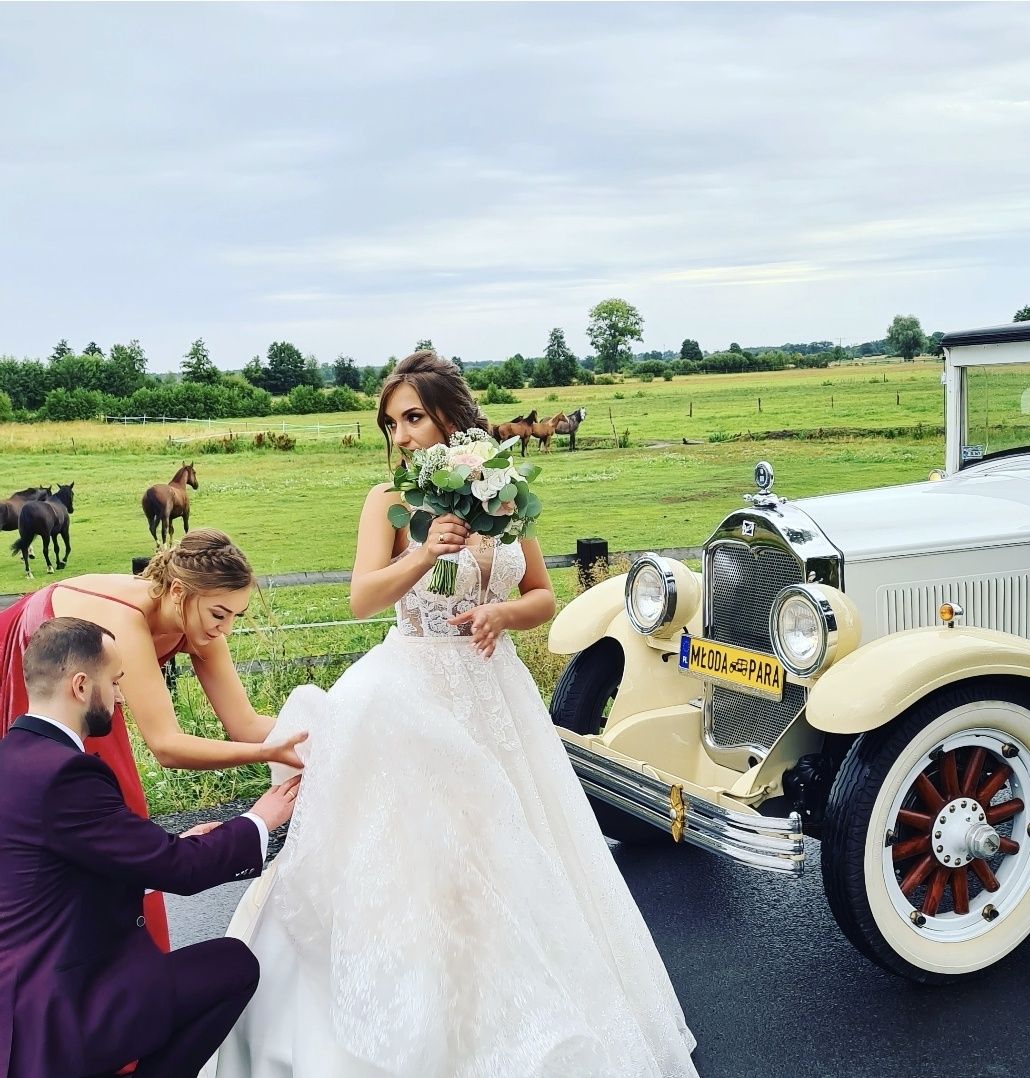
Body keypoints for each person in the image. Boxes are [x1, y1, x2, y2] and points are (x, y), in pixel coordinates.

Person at [208, 351, 698, 1077]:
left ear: (450, 418)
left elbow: (541, 595)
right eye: (391, 423)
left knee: (516, 856)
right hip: (410, 695)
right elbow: (362, 599)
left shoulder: (503, 493)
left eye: (411, 417)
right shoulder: (388, 501)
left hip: (493, 696)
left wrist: (502, 612)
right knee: (424, 864)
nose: (400, 435)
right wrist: (422, 553)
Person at [0, 616, 302, 1078]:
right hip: (58, 1013)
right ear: (81, 686)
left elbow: (49, 871)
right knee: (232, 964)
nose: (121, 696)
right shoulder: (67, 774)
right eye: (115, 681)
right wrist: (258, 820)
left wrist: (172, 846)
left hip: (17, 1003)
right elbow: (179, 870)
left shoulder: (13, 757)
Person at [0, 527, 307, 951]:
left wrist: (326, 726)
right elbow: (166, 746)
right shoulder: (125, 620)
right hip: (36, 665)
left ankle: (135, 965)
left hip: (96, 682)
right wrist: (264, 753)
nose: (227, 630)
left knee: (118, 825)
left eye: (236, 616)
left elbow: (246, 724)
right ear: (179, 592)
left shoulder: (200, 620)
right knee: (111, 806)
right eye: (220, 614)